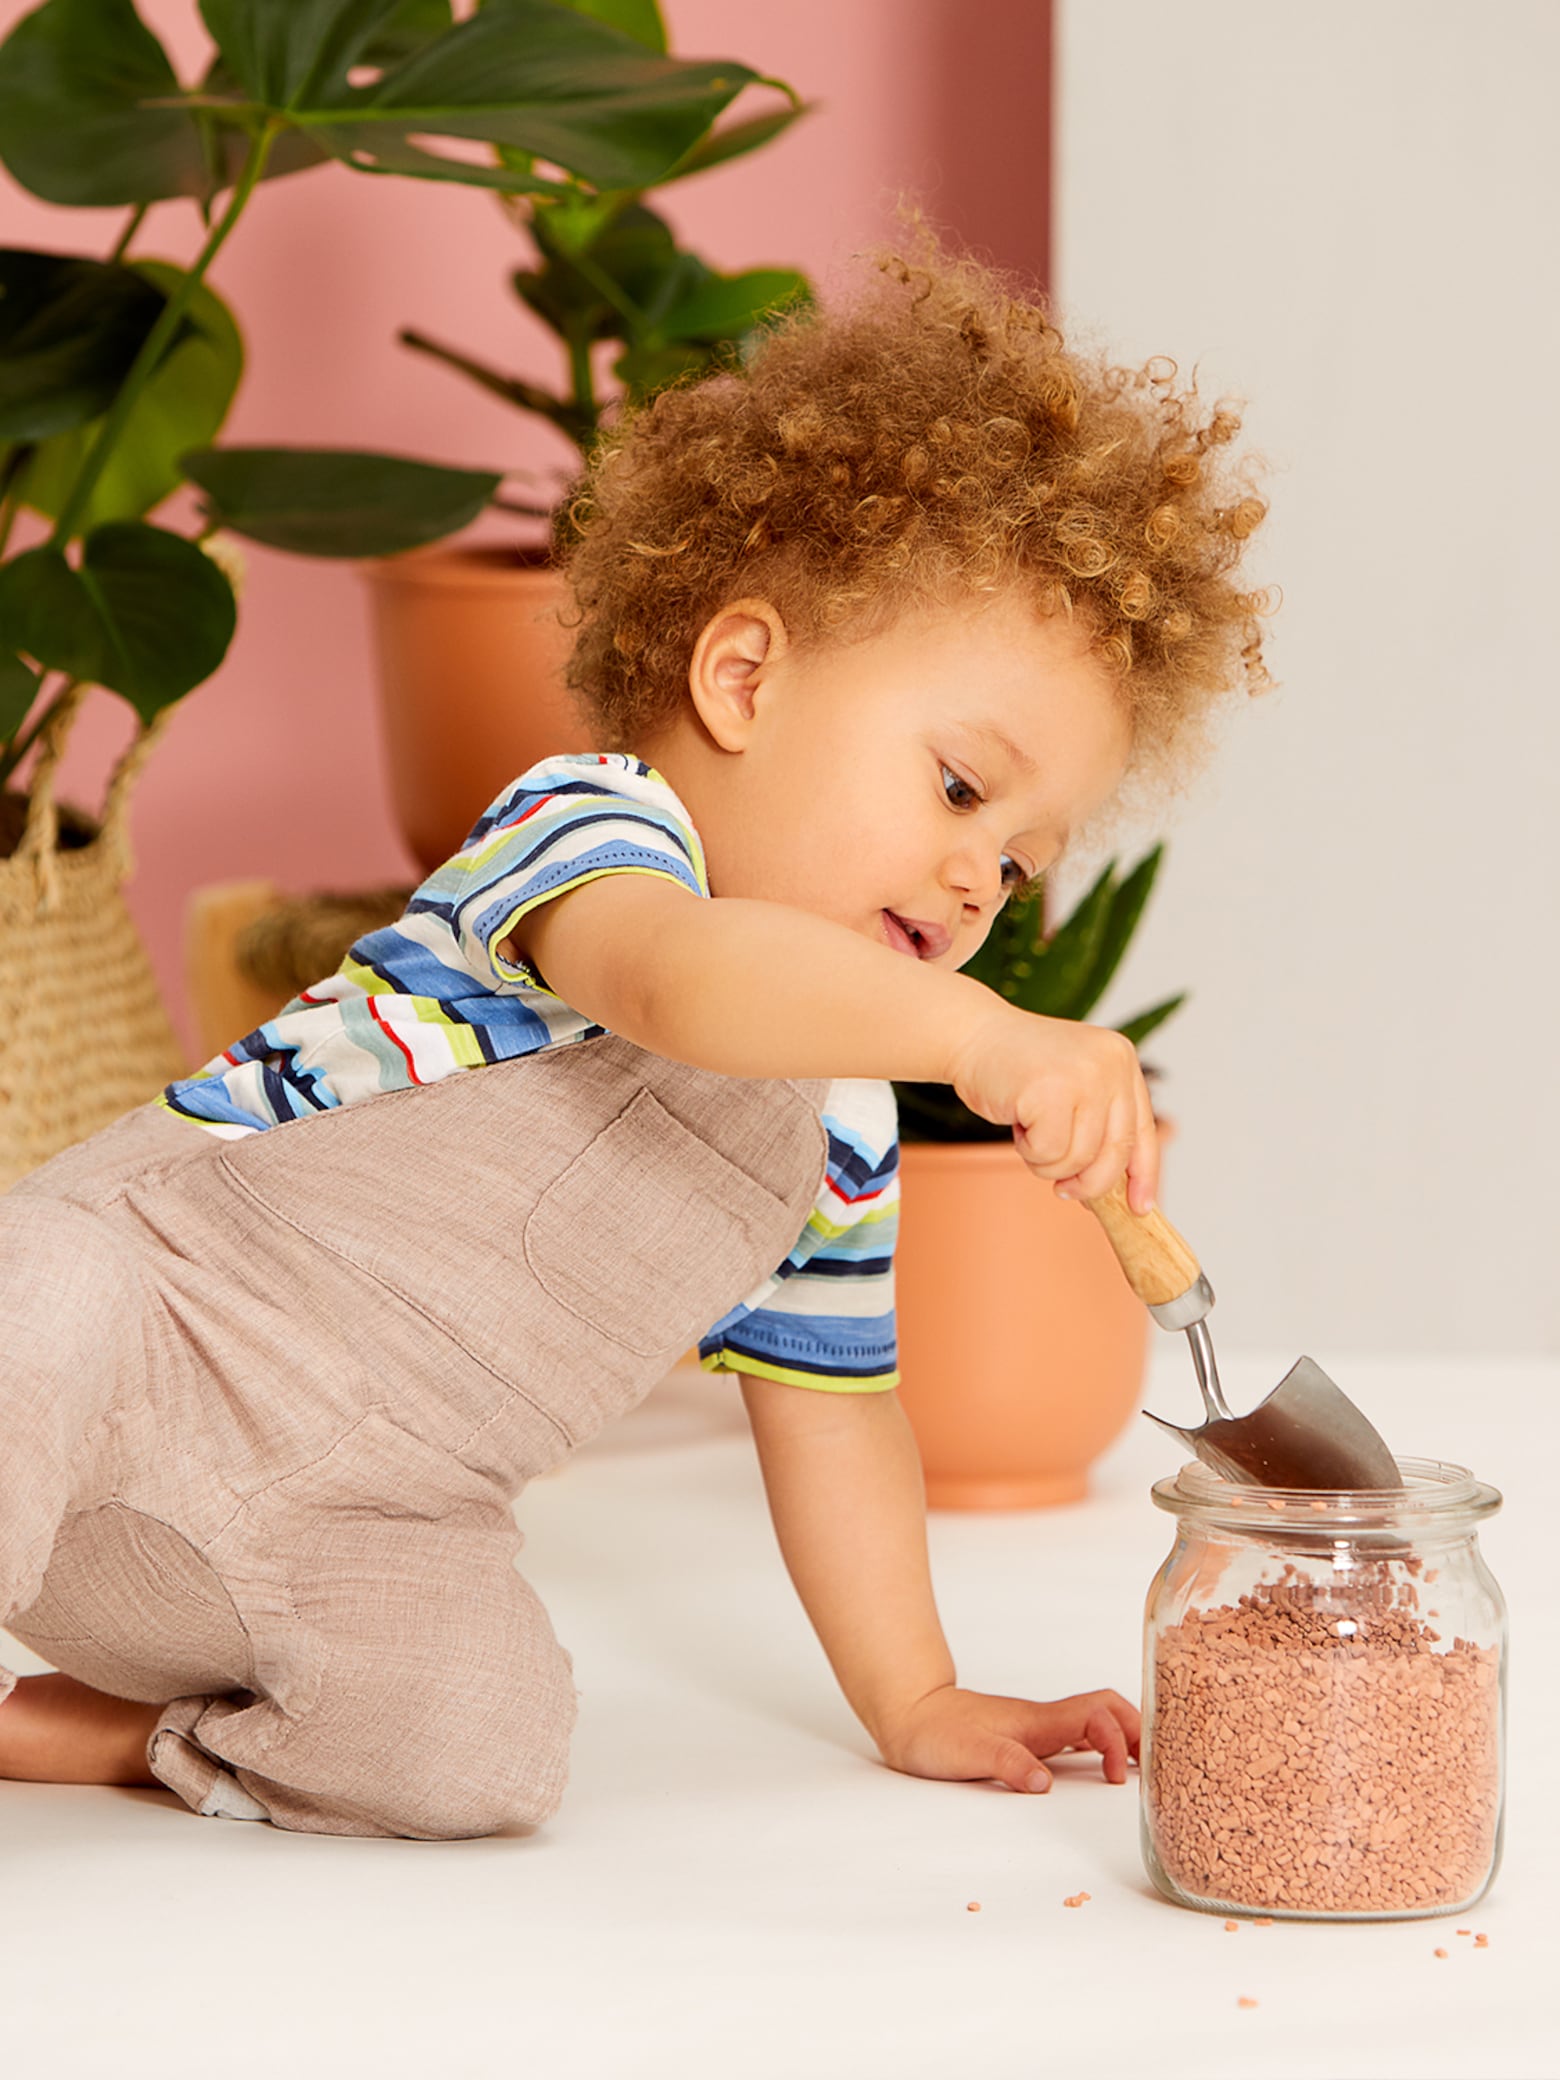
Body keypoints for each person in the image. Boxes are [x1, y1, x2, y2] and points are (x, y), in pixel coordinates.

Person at [0, 214, 1271, 1838]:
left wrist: (920, 1693)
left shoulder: (842, 1113)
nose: (981, 879)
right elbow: (679, 982)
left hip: (352, 1532)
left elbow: (835, 1404)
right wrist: (983, 1037)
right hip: (143, 1352)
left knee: (484, 1751)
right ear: (743, 678)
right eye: (961, 787)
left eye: (1020, 862)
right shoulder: (592, 837)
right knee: (34, 1291)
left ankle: (124, 1738)